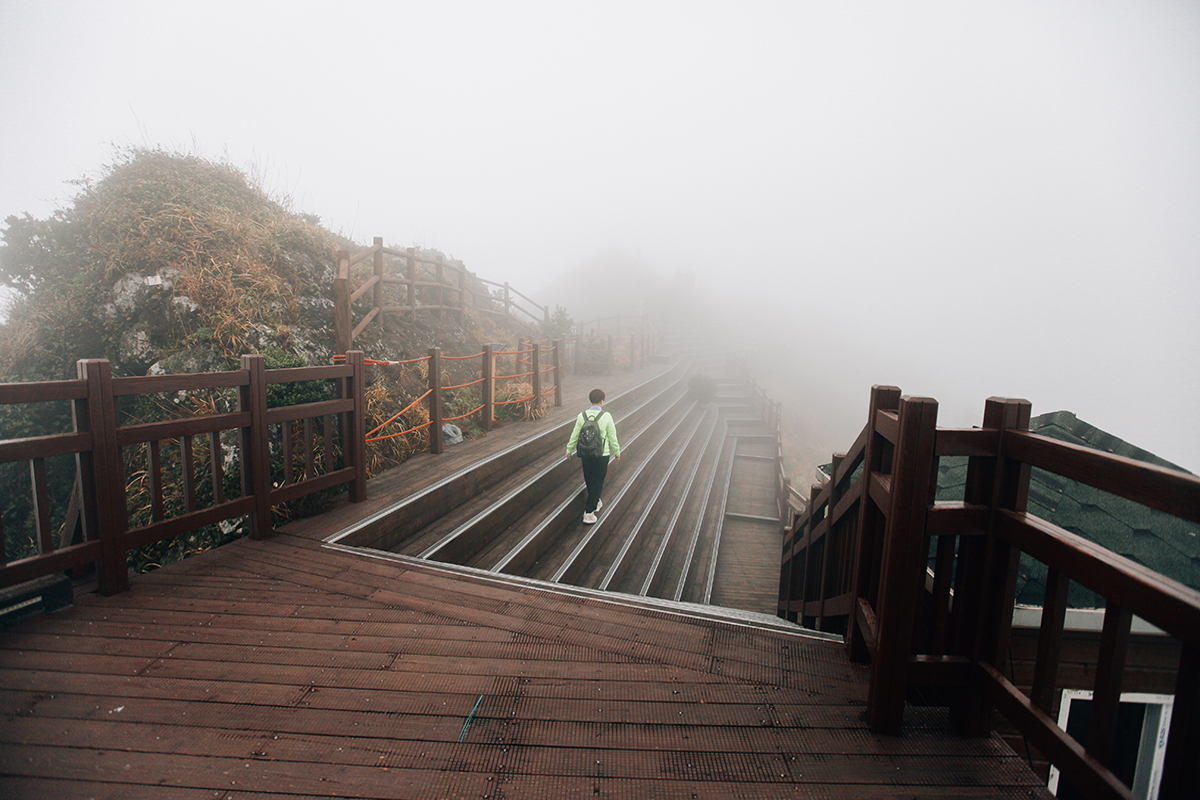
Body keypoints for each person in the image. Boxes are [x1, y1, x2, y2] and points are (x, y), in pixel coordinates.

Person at [566, 388, 621, 524]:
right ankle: (589, 512)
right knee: (598, 481)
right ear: (602, 401)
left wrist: (569, 450)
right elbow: (612, 436)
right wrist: (617, 452)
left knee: (589, 479)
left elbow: (575, 434)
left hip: (585, 453)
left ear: (590, 400)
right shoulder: (606, 416)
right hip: (602, 454)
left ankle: (595, 501)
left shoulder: (582, 416)